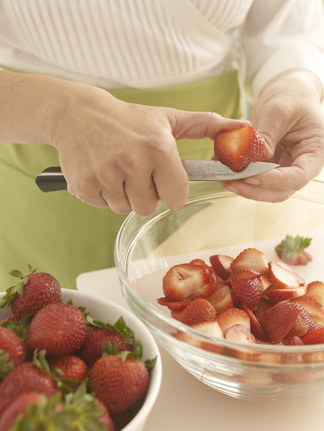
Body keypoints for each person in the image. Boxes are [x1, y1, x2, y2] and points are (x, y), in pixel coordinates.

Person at [0, 0, 324, 290]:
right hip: (36, 160)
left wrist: (294, 83)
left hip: (209, 168)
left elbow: (286, 23)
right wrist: (61, 112)